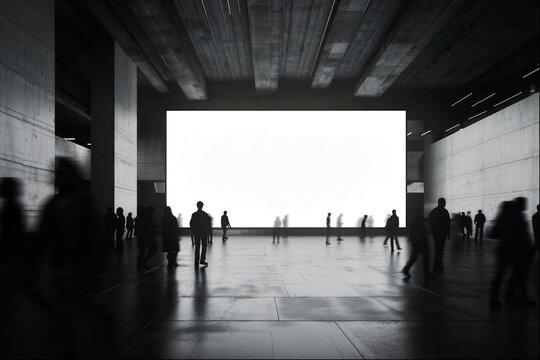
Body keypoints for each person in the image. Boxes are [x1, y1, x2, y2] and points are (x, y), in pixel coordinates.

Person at [489, 198, 535, 308]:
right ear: (521, 204)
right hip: (515, 250)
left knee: (502, 274)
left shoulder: (507, 213)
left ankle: (497, 297)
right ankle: (514, 297)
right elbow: (522, 235)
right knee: (519, 274)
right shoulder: (516, 215)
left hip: (506, 249)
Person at [402, 204, 434, 280]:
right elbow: (421, 229)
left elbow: (412, 230)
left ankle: (406, 269)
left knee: (414, 256)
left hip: (416, 240)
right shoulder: (419, 219)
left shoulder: (414, 219)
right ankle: (426, 273)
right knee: (425, 256)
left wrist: (411, 239)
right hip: (421, 240)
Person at [428, 198, 450, 274]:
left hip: (436, 233)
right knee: (440, 250)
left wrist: (433, 229)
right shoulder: (445, 211)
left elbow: (429, 221)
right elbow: (448, 223)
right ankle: (438, 264)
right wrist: (448, 233)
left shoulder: (434, 211)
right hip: (442, 233)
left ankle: (437, 265)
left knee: (438, 249)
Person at [191, 201, 211, 266]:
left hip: (197, 232)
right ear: (202, 206)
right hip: (203, 233)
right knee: (204, 246)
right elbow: (208, 224)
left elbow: (191, 224)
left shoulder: (194, 214)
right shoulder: (205, 214)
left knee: (197, 246)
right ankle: (202, 259)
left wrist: (193, 231)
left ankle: (196, 260)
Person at [162, 206, 179, 271]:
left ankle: (171, 262)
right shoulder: (173, 218)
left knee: (169, 251)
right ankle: (173, 261)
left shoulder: (164, 219)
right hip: (173, 237)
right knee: (175, 250)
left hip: (167, 237)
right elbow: (175, 228)